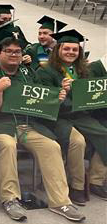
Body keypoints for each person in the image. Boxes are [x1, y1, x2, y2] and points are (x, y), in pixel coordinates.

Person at [0, 37, 85, 222]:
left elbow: (41, 102)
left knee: (52, 146)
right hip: (1, 124)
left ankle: (61, 202)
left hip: (28, 124)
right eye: (9, 51)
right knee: (8, 145)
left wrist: (57, 98)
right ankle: (10, 199)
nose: (13, 55)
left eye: (17, 52)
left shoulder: (28, 73)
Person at [36, 29, 107, 207]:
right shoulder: (45, 71)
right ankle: (77, 186)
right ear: (58, 49)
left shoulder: (83, 71)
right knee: (78, 142)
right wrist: (62, 92)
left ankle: (96, 180)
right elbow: (44, 101)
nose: (71, 53)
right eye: (67, 49)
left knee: (105, 134)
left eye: (75, 50)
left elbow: (90, 95)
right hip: (57, 116)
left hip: (80, 114)